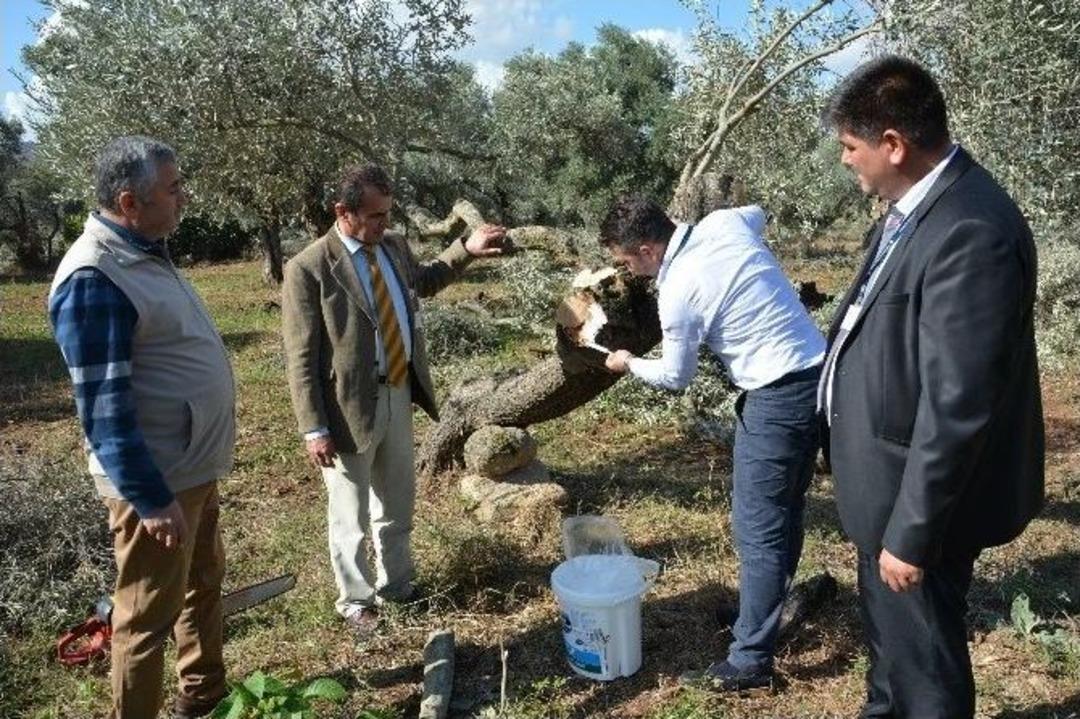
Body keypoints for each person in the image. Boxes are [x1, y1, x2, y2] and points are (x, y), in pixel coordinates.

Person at [819, 55, 1044, 718]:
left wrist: (912, 533)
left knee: (925, 672)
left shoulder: (970, 229)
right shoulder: (914, 209)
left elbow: (959, 401)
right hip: (883, 485)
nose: (845, 160)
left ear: (893, 144)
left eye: (850, 146)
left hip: (914, 502)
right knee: (893, 651)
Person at [601, 195, 825, 690]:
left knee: (758, 527)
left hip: (776, 395)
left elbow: (676, 376)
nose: (630, 272)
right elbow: (760, 212)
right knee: (785, 508)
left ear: (647, 249)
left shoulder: (678, 288)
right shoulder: (725, 222)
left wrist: (628, 362)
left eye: (628, 262)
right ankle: (759, 613)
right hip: (819, 374)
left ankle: (750, 662)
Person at [48, 136, 234, 719]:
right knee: (145, 618)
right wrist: (151, 500)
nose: (184, 198)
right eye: (173, 189)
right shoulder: (94, 276)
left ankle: (202, 695)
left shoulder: (143, 252)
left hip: (190, 465)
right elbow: (104, 409)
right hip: (158, 481)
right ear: (130, 202)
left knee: (202, 584)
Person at [282, 164, 506, 634]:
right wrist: (313, 428)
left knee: (397, 501)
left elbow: (423, 280)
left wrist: (465, 250)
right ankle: (356, 603)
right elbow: (300, 357)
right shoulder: (309, 268)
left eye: (388, 213)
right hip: (347, 410)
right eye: (375, 216)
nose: (385, 223)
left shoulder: (393, 246)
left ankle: (398, 585)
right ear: (343, 212)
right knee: (351, 513)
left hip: (399, 392)